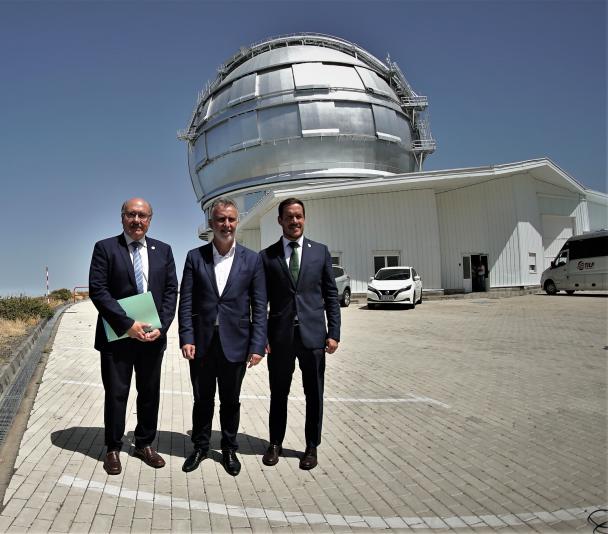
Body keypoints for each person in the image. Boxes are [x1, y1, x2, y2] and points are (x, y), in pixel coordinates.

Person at [178, 197, 267, 476]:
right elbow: (187, 302)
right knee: (202, 399)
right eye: (220, 220)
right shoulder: (195, 257)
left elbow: (259, 306)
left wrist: (257, 345)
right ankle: (201, 447)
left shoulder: (252, 260)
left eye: (230, 219)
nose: (226, 224)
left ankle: (229, 448)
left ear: (237, 222)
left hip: (236, 344)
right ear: (211, 224)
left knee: (231, 400)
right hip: (203, 343)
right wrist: (186, 337)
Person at [89, 198, 178, 475]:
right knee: (117, 394)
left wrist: (161, 326)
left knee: (149, 393)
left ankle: (144, 444)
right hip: (118, 336)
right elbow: (98, 290)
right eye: (131, 214)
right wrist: (128, 324)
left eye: (142, 215)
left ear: (150, 219)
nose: (137, 220)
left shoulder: (164, 250)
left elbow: (171, 290)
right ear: (122, 217)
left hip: (152, 338)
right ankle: (113, 448)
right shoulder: (105, 248)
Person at [260, 197, 341, 470]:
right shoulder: (267, 256)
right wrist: (261, 337)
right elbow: (260, 302)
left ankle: (311, 447)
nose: (295, 221)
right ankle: (274, 444)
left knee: (314, 394)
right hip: (280, 338)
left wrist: (334, 333)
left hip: (314, 337)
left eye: (299, 216)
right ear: (280, 220)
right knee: (278, 393)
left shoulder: (320, 252)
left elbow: (331, 295)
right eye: (289, 216)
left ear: (304, 219)